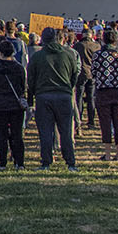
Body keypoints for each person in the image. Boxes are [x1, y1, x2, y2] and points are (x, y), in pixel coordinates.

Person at [28, 27, 80, 172]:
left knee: (45, 131)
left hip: (44, 96)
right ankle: (70, 162)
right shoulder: (68, 55)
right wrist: (68, 88)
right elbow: (74, 75)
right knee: (66, 131)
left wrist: (32, 95)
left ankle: (46, 162)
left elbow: (31, 79)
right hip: (63, 95)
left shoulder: (38, 57)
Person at [0, 39, 28, 170]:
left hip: (0, 104)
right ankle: (19, 162)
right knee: (17, 135)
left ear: (0, 52)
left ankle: (3, 163)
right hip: (16, 105)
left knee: (2, 135)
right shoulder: (19, 68)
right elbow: (23, 86)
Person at [89, 29, 118, 161]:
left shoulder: (97, 55)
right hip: (117, 90)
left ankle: (108, 153)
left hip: (103, 91)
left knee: (105, 123)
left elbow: (93, 72)